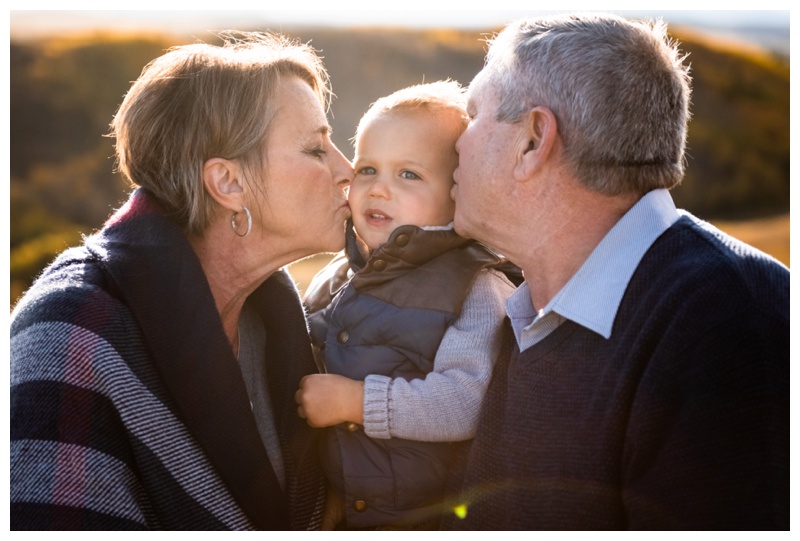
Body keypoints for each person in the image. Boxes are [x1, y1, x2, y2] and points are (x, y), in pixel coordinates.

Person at [444, 13, 789, 530]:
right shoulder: (528, 308)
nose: (455, 142)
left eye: (473, 115)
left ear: (534, 140)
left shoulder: (730, 325)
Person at [10, 32, 353, 530]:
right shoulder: (70, 330)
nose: (348, 170)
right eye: (316, 149)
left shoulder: (278, 323)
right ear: (228, 184)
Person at [294, 81, 515, 529]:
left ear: (458, 193)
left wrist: (358, 402)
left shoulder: (472, 286)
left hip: (430, 518)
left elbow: (467, 402)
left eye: (408, 175)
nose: (378, 189)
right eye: (368, 169)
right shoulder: (336, 276)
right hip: (347, 510)